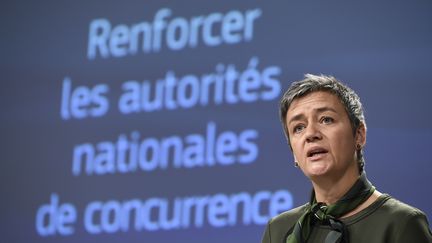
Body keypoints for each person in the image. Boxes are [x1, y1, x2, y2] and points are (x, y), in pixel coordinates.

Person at [261, 74, 432, 243]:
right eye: (298, 128)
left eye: (326, 120)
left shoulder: (401, 223)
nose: (311, 134)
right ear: (293, 153)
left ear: (359, 135)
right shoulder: (277, 231)